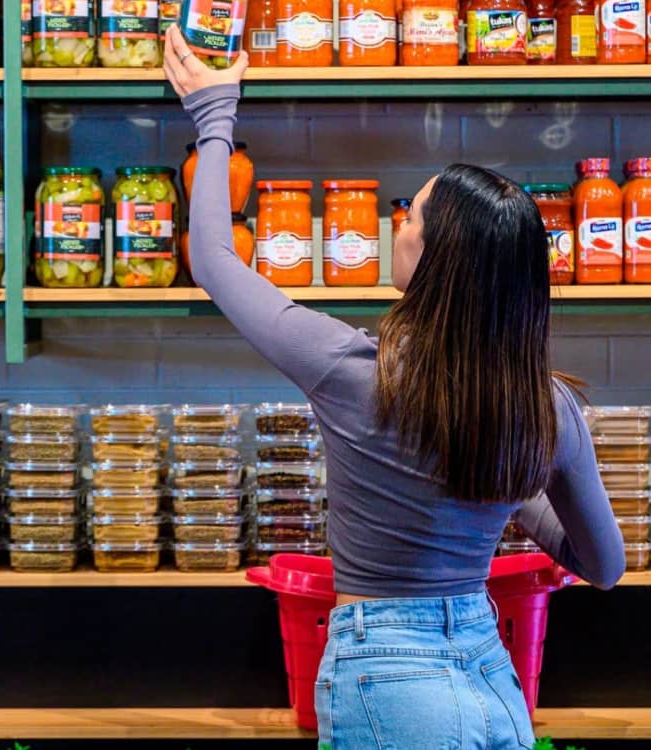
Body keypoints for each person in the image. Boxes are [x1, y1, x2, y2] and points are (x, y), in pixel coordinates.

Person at [164, 27, 625, 750]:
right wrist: (515, 483)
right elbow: (604, 565)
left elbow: (218, 264)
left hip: (387, 679)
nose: (398, 221)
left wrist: (214, 117)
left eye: (410, 214)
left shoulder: (346, 368)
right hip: (491, 673)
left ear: (434, 258)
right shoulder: (547, 407)